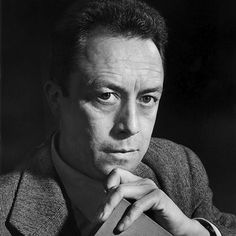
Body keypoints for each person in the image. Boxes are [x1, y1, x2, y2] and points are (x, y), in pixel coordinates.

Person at [1, 0, 236, 235]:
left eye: (147, 98)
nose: (131, 126)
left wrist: (194, 232)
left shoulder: (180, 167)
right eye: (106, 96)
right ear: (55, 99)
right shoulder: (5, 209)